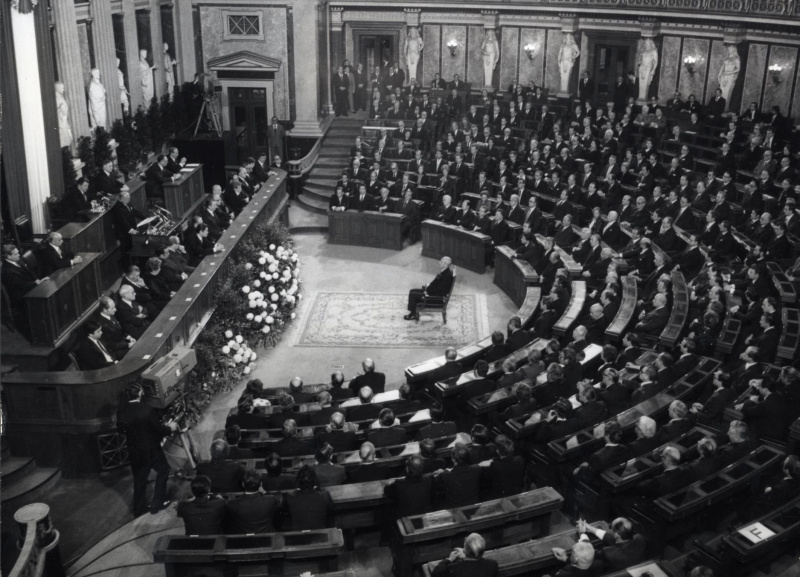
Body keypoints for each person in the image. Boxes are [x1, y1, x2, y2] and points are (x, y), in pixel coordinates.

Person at [116, 382, 178, 516]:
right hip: (151, 450)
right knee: (164, 470)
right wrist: (170, 428)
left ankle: (139, 510)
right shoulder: (147, 409)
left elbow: (121, 429)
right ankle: (158, 502)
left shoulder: (121, 412)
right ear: (139, 393)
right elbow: (158, 430)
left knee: (139, 480)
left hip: (135, 452)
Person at [225, 470, 279, 534]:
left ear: (243, 484)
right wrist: (264, 492)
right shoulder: (271, 500)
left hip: (242, 539)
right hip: (266, 536)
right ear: (260, 484)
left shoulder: (232, 504)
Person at [431, 532, 498, 577]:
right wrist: (465, 557)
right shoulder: (493, 564)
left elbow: (435, 573)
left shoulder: (454, 569)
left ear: (464, 550)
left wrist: (449, 559)